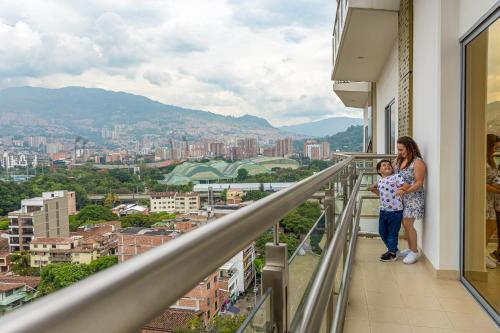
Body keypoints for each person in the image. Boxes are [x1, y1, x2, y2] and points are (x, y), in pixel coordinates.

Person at [394, 136, 426, 264]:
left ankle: (415, 252)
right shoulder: (400, 160)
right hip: (403, 197)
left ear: (409, 147)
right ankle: (410, 248)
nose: (399, 152)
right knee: (404, 223)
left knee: (408, 224)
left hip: (413, 197)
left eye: (401, 149)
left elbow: (419, 183)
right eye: (398, 149)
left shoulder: (417, 162)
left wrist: (406, 190)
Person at [371, 160, 410, 261]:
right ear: (379, 170)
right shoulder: (379, 181)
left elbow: (406, 184)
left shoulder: (396, 177)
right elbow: (381, 195)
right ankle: (393, 249)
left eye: (389, 165)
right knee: (382, 232)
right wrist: (374, 190)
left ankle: (392, 253)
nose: (387, 166)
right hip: (383, 211)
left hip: (395, 211)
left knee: (392, 233)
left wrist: (402, 189)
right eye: (384, 165)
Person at [485, 134, 500, 268]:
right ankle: (480, 253)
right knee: (490, 224)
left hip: (491, 199)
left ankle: (481, 252)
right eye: (495, 147)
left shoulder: (491, 161)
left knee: (491, 224)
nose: (495, 150)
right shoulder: (482, 162)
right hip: (485, 198)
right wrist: (496, 190)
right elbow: (480, 182)